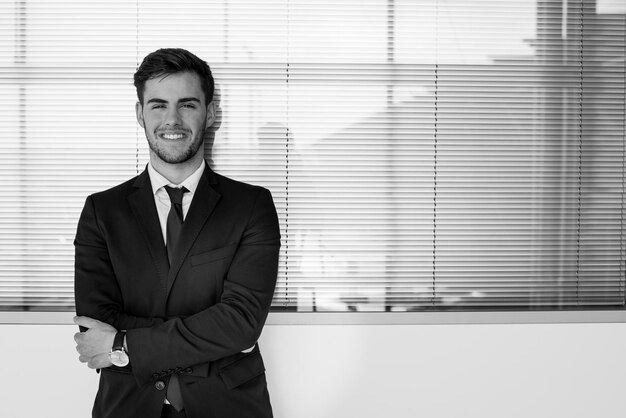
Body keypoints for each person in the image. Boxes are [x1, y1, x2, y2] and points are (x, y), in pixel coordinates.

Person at [73, 48, 280, 418]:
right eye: (157, 105)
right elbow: (95, 320)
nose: (172, 119)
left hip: (228, 406)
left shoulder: (251, 206)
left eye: (187, 104)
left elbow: (241, 323)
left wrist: (122, 343)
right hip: (129, 404)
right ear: (140, 114)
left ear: (211, 113)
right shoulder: (102, 211)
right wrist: (210, 335)